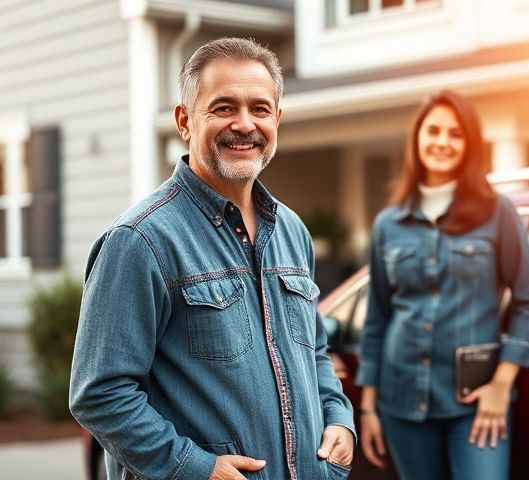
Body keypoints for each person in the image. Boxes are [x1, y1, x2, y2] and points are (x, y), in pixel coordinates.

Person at [69, 38, 355, 480]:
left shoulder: (293, 231)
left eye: (260, 109)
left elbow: (313, 350)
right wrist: (196, 468)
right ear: (184, 120)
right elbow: (101, 393)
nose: (244, 124)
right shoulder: (140, 240)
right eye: (223, 108)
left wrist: (338, 417)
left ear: (277, 120)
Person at [356, 90, 529, 479]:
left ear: (470, 145)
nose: (442, 142)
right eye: (434, 131)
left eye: (455, 134)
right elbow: (377, 318)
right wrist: (369, 408)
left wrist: (501, 384)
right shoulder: (389, 224)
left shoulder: (497, 212)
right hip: (402, 401)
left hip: (474, 403)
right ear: (417, 138)